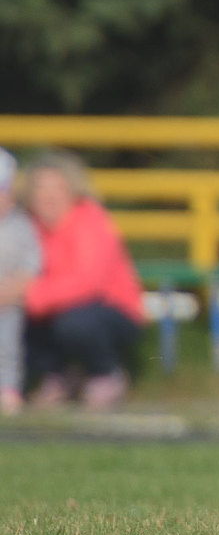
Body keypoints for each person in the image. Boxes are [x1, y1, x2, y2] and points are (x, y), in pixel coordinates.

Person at [1, 154, 145, 411]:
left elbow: (87, 282)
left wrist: (26, 294)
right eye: (41, 188)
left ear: (72, 190)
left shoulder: (90, 220)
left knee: (74, 323)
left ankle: (104, 373)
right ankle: (55, 376)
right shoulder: (26, 226)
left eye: (57, 188)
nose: (49, 196)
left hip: (108, 310)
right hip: (49, 307)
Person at [0, 152, 40, 416]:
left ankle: (8, 389)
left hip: (8, 300)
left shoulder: (21, 226)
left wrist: (15, 287)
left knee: (7, 346)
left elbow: (32, 264)